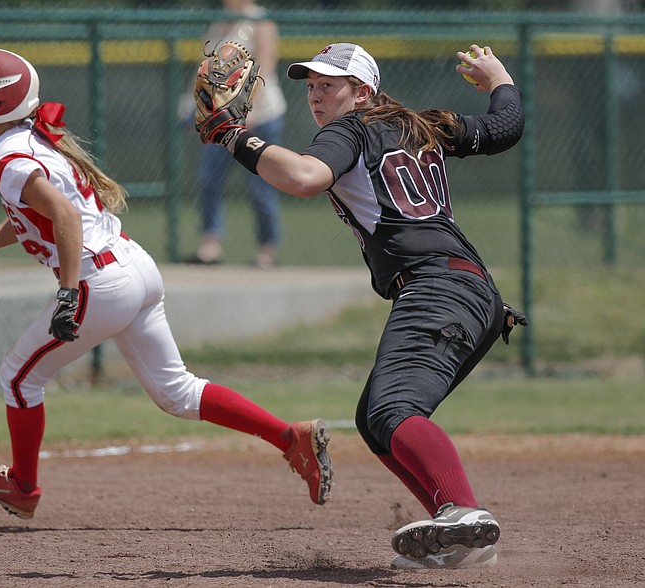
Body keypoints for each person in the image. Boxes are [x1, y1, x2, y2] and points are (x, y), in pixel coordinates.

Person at [0, 47, 332, 519]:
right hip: (132, 266)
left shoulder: (10, 155)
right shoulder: (30, 141)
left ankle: (22, 487)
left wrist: (66, 292)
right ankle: (291, 438)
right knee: (178, 393)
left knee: (18, 378)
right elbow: (40, 220)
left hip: (99, 281)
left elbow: (63, 217)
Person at [194, 42, 526, 569]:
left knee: (394, 409)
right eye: (310, 86)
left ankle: (463, 513)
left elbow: (303, 178)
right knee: (374, 421)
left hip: (437, 287)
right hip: (470, 291)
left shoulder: (349, 130)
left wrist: (233, 136)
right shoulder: (424, 126)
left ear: (363, 91)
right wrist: (500, 78)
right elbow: (506, 126)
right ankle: (457, 532)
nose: (317, 95)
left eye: (330, 84)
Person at [189, 0, 287, 268]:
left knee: (260, 185)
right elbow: (207, 69)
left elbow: (265, 67)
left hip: (261, 117)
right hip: (222, 117)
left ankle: (266, 251)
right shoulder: (219, 22)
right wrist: (194, 104)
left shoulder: (259, 19)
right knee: (210, 178)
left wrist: (250, 109)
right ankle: (211, 246)